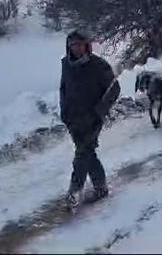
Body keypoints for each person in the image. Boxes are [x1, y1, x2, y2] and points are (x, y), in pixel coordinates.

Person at [59, 29, 120, 209]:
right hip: (73, 118)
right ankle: (101, 187)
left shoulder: (98, 65)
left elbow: (114, 89)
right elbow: (63, 89)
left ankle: (74, 191)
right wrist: (64, 111)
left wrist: (99, 111)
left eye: (79, 44)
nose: (76, 48)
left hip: (92, 119)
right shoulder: (66, 64)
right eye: (72, 45)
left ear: (87, 46)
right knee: (87, 154)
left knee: (82, 154)